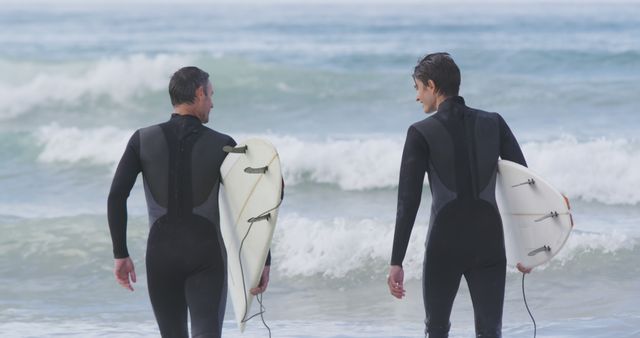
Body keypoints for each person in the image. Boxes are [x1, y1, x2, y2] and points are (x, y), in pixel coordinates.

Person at [107, 66, 271, 338]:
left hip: (160, 256)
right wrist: (263, 259)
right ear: (199, 93)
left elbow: (116, 196)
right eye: (210, 95)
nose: (212, 103)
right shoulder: (224, 145)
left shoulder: (142, 140)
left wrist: (120, 253)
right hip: (205, 257)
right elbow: (251, 203)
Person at [387, 53, 531, 338]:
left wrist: (396, 261)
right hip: (489, 243)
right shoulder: (494, 122)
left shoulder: (419, 132)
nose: (417, 97)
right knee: (491, 332)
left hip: (444, 246)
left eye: (417, 88)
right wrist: (528, 247)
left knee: (437, 330)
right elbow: (523, 185)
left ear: (431, 85)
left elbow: (408, 201)